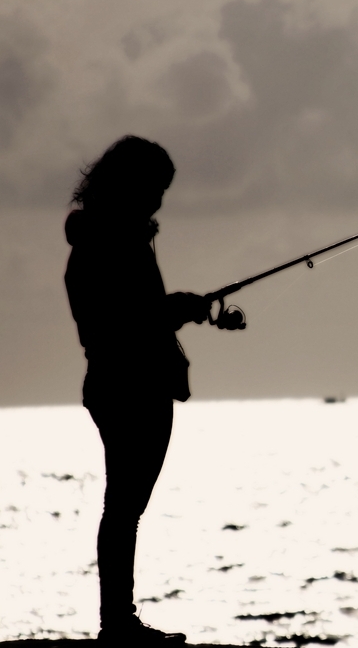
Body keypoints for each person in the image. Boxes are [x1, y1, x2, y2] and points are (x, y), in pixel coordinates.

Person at [64, 135, 209, 645]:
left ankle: (118, 622)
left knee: (124, 507)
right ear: (130, 186)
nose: (159, 200)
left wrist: (176, 309)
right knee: (124, 508)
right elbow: (126, 321)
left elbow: (132, 317)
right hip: (129, 388)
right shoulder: (110, 244)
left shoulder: (106, 239)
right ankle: (118, 624)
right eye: (154, 188)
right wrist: (179, 308)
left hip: (121, 384)